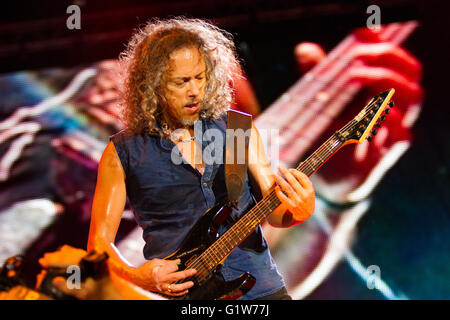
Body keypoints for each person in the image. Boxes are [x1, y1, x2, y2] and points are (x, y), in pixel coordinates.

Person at [87, 17, 315, 300]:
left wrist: (299, 210)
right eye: (181, 82)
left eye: (200, 77)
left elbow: (276, 213)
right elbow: (98, 246)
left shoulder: (238, 129)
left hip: (262, 293)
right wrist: (137, 276)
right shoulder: (121, 152)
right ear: (152, 86)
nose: (195, 91)